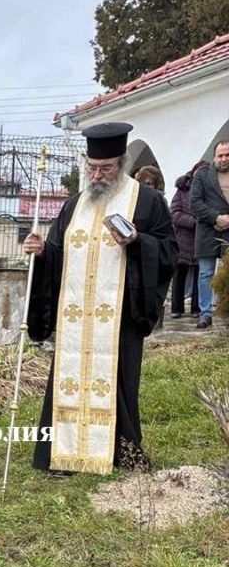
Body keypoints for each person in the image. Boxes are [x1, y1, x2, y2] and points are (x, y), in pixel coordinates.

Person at [22, 122, 178, 475]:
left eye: (104, 168)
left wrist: (138, 243)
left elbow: (169, 251)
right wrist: (42, 251)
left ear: (121, 164)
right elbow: (60, 253)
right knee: (68, 378)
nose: (96, 174)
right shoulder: (75, 204)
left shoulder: (148, 201)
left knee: (117, 380)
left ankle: (118, 451)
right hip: (76, 314)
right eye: (91, 168)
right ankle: (61, 454)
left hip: (120, 313)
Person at [190, 140, 229, 329]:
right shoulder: (202, 176)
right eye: (220, 155)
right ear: (214, 157)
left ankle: (226, 310)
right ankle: (205, 314)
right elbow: (195, 203)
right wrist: (216, 218)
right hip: (207, 231)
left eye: (227, 155)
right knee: (205, 274)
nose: (224, 159)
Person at [170, 161, 208, 319]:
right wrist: (193, 222)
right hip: (183, 239)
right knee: (179, 275)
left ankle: (196, 309)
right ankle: (176, 308)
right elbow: (174, 213)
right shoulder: (182, 191)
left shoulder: (209, 191)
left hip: (202, 239)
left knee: (201, 274)